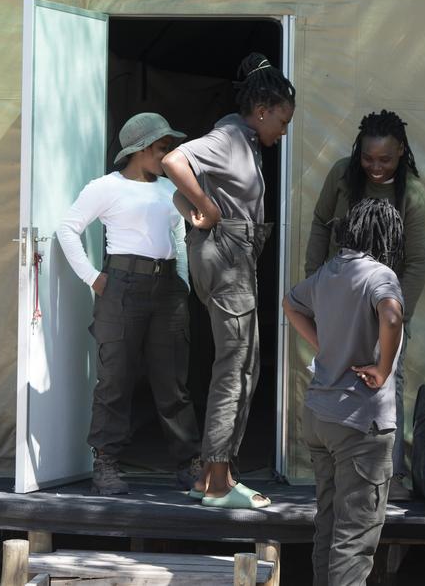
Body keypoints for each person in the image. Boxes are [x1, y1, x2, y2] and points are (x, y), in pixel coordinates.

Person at [161, 52, 295, 509]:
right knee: (235, 368)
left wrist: (197, 205)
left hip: (233, 256)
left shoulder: (247, 141)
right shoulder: (229, 136)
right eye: (283, 119)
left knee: (246, 364)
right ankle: (216, 483)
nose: (284, 130)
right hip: (228, 258)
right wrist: (207, 208)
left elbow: (184, 188)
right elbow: (174, 161)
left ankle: (215, 473)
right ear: (262, 111)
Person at [55, 112, 201, 496]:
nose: (168, 154)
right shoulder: (105, 187)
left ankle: (187, 464)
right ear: (140, 150)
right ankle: (106, 463)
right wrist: (94, 278)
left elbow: (179, 235)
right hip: (121, 286)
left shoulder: (171, 188)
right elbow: (67, 229)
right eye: (162, 147)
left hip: (167, 287)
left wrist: (181, 284)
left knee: (172, 381)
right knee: (115, 379)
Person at [304, 109, 425, 500]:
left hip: (384, 311)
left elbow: (418, 261)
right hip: (336, 302)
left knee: (385, 385)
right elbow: (319, 224)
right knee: (330, 376)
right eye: (368, 157)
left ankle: (387, 475)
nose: (375, 167)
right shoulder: (342, 176)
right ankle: (332, 468)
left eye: (385, 159)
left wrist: (395, 316)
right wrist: (314, 286)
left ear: (401, 154)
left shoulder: (414, 195)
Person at [284, 198, 405, 586]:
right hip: (359, 422)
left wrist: (323, 345)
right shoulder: (380, 275)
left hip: (319, 415)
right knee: (354, 537)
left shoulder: (327, 272)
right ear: (387, 236)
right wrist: (383, 369)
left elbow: (289, 303)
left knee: (330, 525)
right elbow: (391, 315)